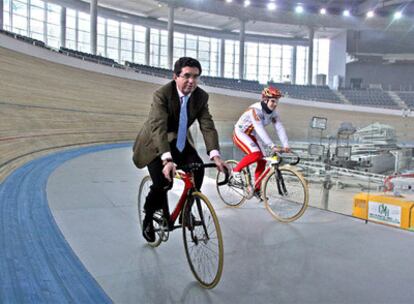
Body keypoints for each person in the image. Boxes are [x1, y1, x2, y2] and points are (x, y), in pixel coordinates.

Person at [132, 57, 227, 243]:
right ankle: (148, 217)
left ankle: (186, 211)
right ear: (175, 76)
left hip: (179, 142)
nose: (192, 81)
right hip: (155, 144)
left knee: (198, 167)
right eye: (187, 76)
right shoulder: (162, 94)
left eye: (196, 77)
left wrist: (215, 155)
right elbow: (158, 126)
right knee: (163, 184)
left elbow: (207, 126)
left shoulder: (201, 96)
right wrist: (167, 160)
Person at [232, 86, 291, 197]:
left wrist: (286, 145)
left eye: (277, 101)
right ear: (265, 100)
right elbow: (260, 129)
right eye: (273, 101)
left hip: (251, 135)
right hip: (240, 133)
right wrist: (272, 146)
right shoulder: (256, 110)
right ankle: (235, 170)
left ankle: (257, 190)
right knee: (256, 154)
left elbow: (279, 128)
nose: (275, 104)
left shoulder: (273, 113)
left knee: (263, 161)